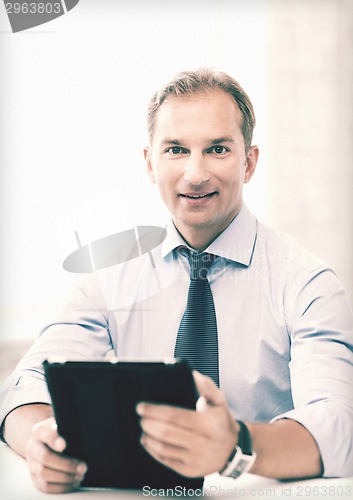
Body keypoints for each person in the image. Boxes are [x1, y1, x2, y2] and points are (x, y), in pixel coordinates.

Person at [1, 69, 353, 494]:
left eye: (218, 149)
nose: (194, 174)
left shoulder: (307, 284)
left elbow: (340, 425)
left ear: (250, 161)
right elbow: (22, 389)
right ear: (150, 163)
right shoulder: (110, 275)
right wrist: (42, 440)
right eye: (176, 150)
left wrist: (234, 445)